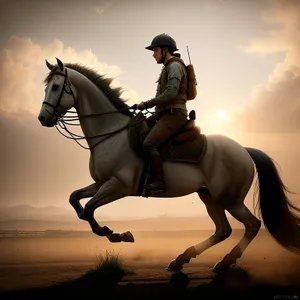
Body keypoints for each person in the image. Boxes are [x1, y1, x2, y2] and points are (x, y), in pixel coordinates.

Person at [136, 33, 188, 194]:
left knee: (149, 143)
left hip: (174, 114)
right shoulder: (168, 67)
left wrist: (145, 104)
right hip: (165, 113)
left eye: (155, 50)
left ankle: (160, 182)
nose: (153, 54)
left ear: (165, 50)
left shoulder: (174, 67)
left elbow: (171, 94)